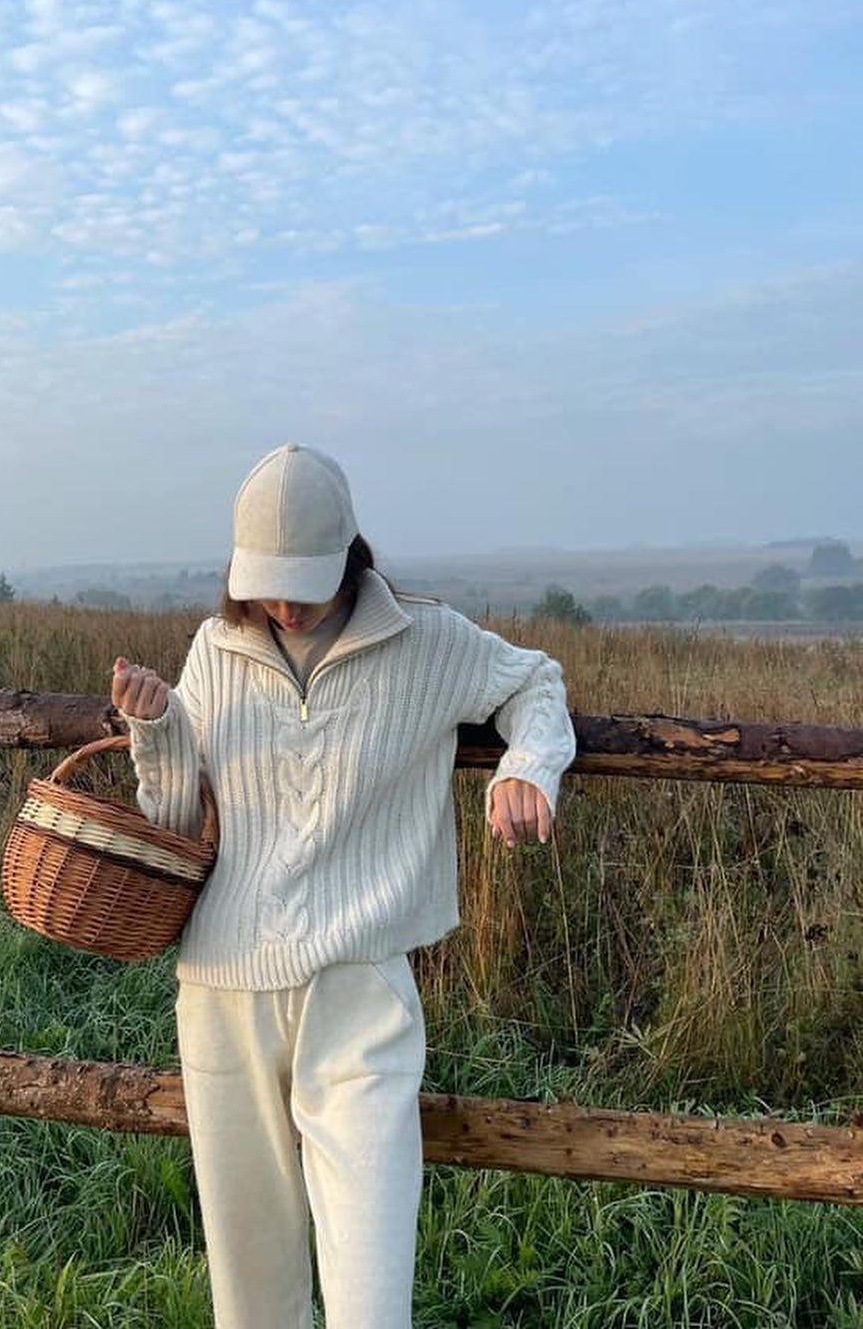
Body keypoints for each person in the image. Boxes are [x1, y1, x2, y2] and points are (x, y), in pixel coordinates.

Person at [109, 441, 576, 1329]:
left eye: (306, 580)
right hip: (222, 991)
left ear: (352, 556)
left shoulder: (425, 640)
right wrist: (159, 728)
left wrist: (529, 767)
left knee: (372, 1298)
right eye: (265, 584)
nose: (283, 603)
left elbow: (534, 682)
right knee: (249, 1294)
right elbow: (174, 823)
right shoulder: (215, 646)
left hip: (361, 996)